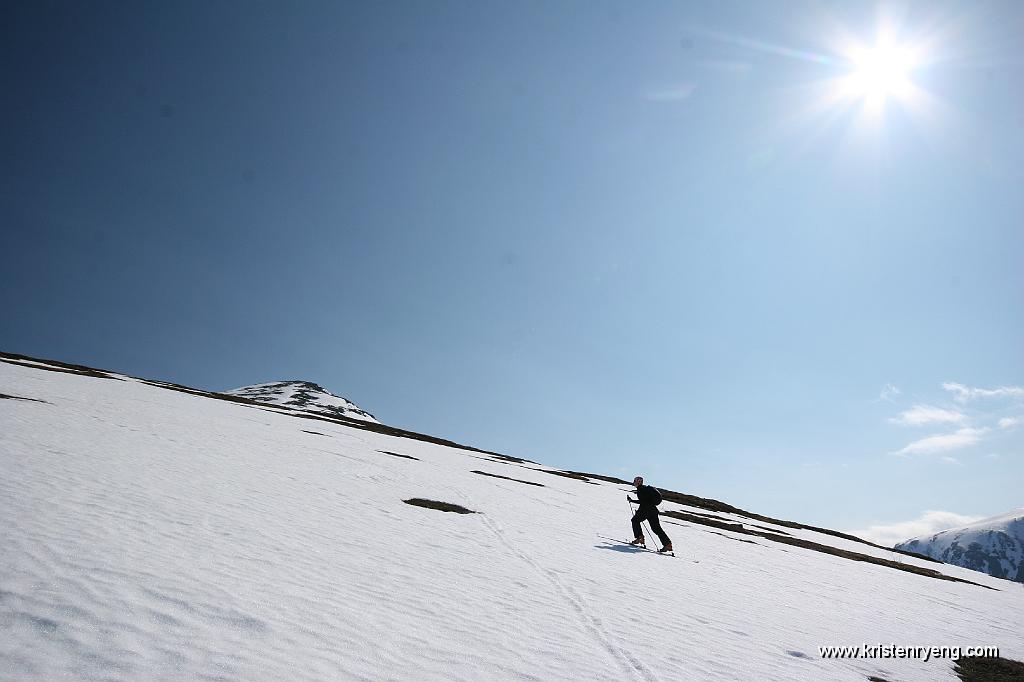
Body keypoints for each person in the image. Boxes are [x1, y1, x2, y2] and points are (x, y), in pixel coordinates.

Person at [628, 476, 673, 553]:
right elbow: (646, 501)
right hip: (653, 510)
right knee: (656, 528)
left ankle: (639, 538)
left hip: (646, 510)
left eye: (635, 481)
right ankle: (667, 544)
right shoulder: (646, 489)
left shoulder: (640, 489)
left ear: (638, 482)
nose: (634, 483)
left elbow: (643, 502)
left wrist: (632, 501)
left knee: (634, 520)